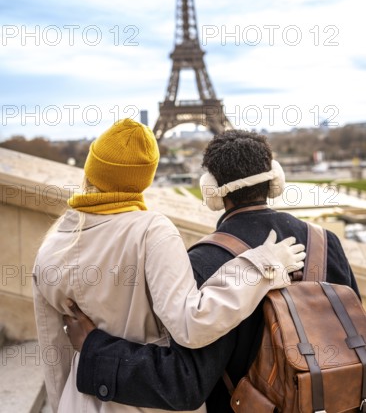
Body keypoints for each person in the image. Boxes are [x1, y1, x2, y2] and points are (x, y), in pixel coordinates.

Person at [64, 129, 361, 413]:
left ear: (212, 190)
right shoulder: (325, 243)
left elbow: (183, 384)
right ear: (275, 178)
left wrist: (95, 350)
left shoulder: (205, 260)